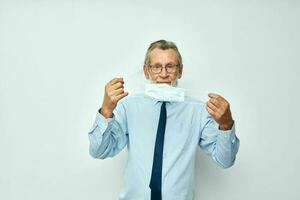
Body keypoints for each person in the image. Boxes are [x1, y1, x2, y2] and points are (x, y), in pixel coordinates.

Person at [88, 40, 240, 200]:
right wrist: (105, 111)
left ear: (180, 71)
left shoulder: (199, 111)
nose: (163, 74)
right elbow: (99, 151)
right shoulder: (128, 106)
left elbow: (225, 161)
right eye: (157, 67)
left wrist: (226, 125)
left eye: (170, 66)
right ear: (146, 71)